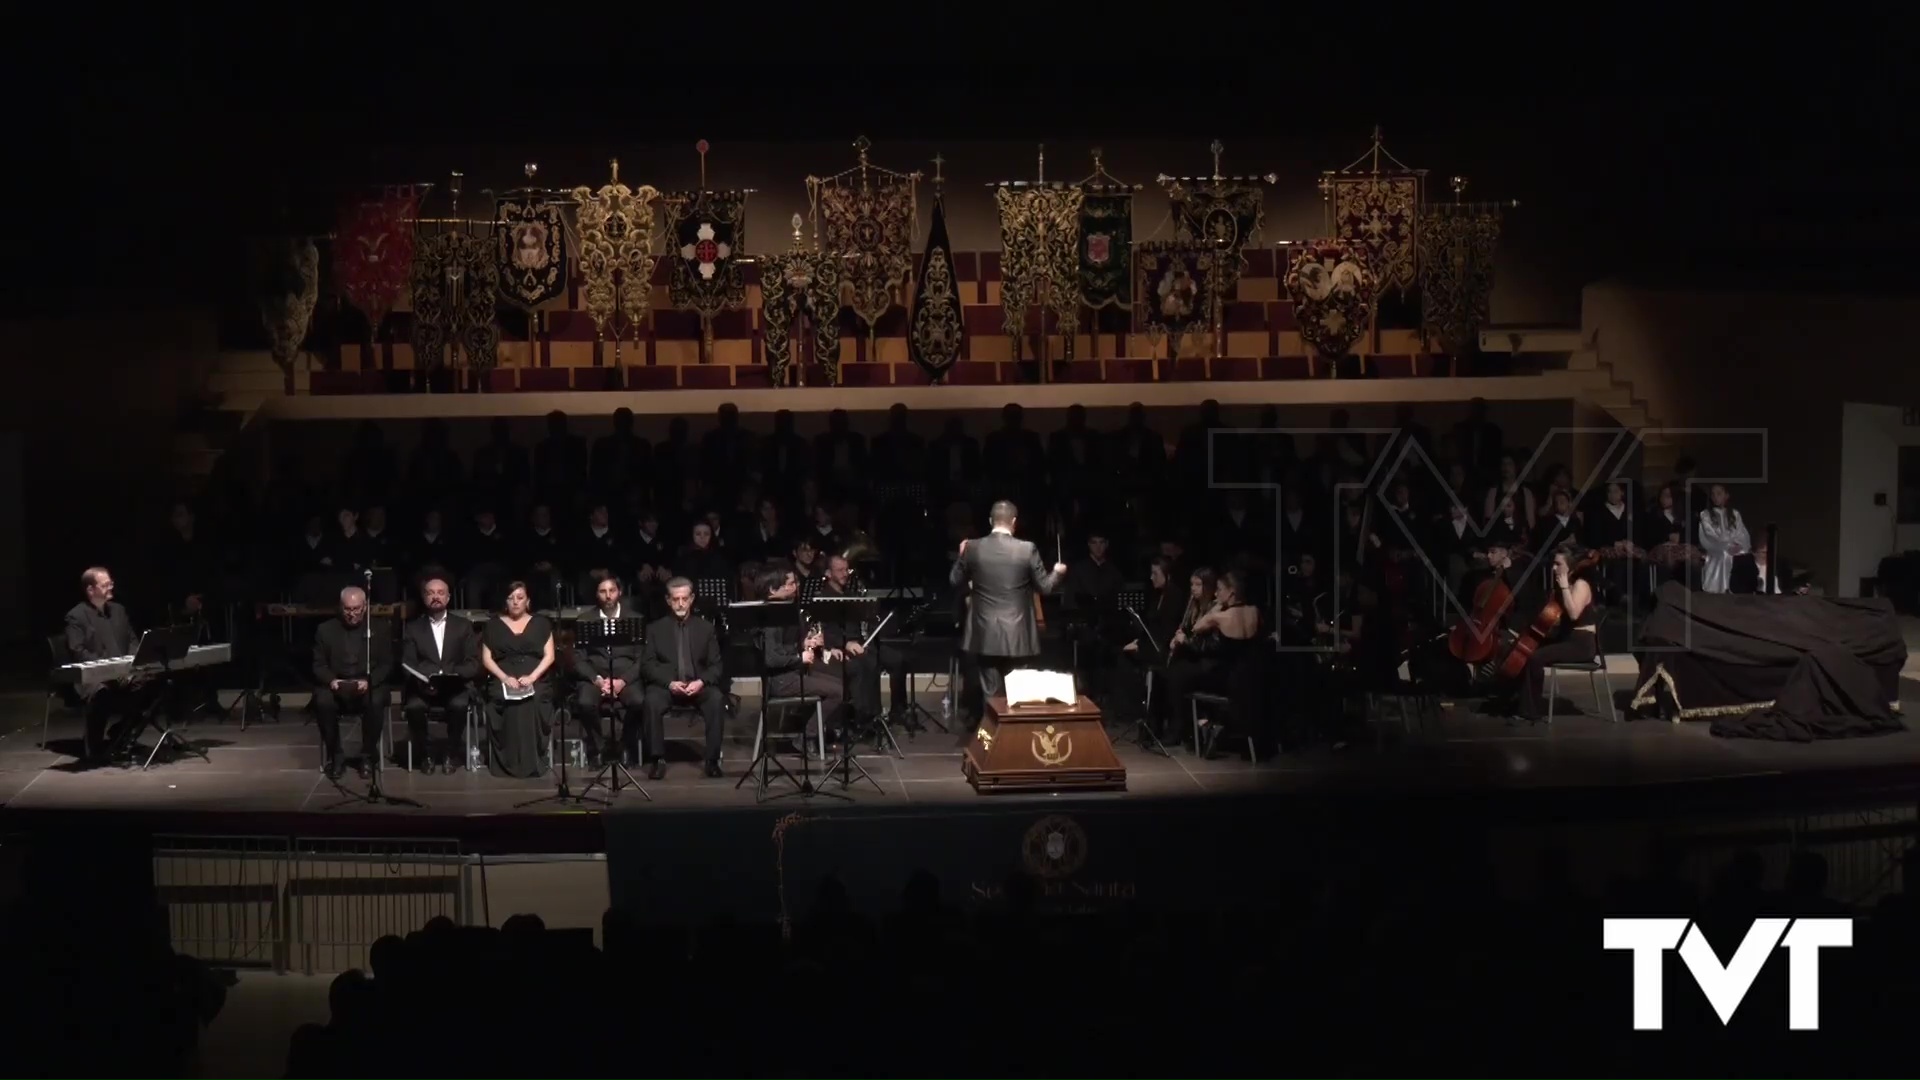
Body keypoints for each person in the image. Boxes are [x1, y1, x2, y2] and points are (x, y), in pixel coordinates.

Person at [948, 500, 1066, 726]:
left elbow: (954, 580)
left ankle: (991, 744)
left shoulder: (972, 547)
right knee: (1018, 694)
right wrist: (1057, 573)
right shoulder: (1027, 548)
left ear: (990, 521)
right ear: (1014, 522)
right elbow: (1046, 588)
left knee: (990, 695)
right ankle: (1015, 744)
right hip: (1017, 634)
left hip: (985, 633)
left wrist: (961, 553)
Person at [63, 566, 156, 765]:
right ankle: (94, 746)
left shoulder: (119, 611)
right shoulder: (76, 616)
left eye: (110, 583)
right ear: (90, 590)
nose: (110, 587)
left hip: (124, 672)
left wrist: (132, 665)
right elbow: (78, 652)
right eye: (105, 585)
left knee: (153, 682)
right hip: (95, 677)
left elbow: (132, 641)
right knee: (101, 692)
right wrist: (110, 670)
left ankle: (122, 731)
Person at [639, 577, 726, 779]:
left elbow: (716, 665)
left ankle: (712, 760)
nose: (680, 603)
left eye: (685, 599)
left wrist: (701, 682)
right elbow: (647, 665)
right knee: (651, 700)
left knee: (716, 699)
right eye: (676, 599)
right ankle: (657, 759)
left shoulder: (706, 628)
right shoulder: (655, 629)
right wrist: (669, 683)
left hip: (698, 684)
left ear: (692, 599)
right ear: (668, 600)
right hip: (667, 685)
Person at [754, 565, 847, 743]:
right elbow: (771, 658)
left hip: (791, 673)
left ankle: (820, 729)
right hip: (781, 681)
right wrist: (799, 656)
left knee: (838, 681)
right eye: (789, 584)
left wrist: (805, 643)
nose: (795, 587)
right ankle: (808, 736)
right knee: (837, 691)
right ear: (773, 590)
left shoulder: (784, 612)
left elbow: (784, 646)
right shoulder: (770, 618)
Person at [312, 586, 394, 780]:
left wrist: (368, 681)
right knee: (322, 701)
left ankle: (367, 756)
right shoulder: (325, 630)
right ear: (341, 607)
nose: (352, 614)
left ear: (365, 606)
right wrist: (331, 680)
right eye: (348, 609)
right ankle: (336, 756)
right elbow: (318, 665)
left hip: (367, 684)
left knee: (376, 701)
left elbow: (386, 664)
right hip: (337, 684)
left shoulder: (379, 628)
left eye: (357, 609)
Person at [400, 575, 478, 774]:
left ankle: (451, 752)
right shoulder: (413, 628)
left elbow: (472, 663)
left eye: (440, 593)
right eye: (430, 593)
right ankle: (426, 753)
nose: (436, 597)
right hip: (423, 686)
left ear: (448, 598)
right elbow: (407, 663)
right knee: (414, 707)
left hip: (455, 686)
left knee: (459, 705)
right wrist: (427, 678)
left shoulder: (463, 626)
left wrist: (450, 675)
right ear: (424, 598)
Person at [479, 581, 556, 779]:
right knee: (503, 698)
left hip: (534, 676)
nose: (515, 602)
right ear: (506, 601)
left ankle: (534, 761)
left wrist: (532, 677)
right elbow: (486, 658)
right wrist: (505, 678)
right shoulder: (493, 625)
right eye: (511, 598)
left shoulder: (541, 623)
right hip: (503, 677)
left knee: (534, 699)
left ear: (527, 601)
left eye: (520, 598)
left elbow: (550, 656)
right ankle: (506, 762)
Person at [1514, 548, 1600, 724]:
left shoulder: (1580, 585)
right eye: (1553, 563)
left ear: (1570, 566)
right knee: (1526, 649)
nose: (1553, 568)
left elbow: (1574, 613)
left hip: (1581, 644)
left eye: (1558, 564)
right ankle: (1516, 701)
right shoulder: (1564, 587)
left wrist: (1564, 587)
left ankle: (1530, 712)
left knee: (1536, 658)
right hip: (1568, 639)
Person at [571, 575, 646, 767]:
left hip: (625, 677)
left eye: (612, 591)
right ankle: (599, 748)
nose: (608, 596)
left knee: (639, 701)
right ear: (597, 595)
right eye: (603, 592)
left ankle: (625, 744)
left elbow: (642, 658)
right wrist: (596, 679)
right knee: (585, 702)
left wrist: (622, 681)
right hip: (595, 678)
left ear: (619, 593)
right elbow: (578, 658)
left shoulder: (634, 619)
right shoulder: (585, 620)